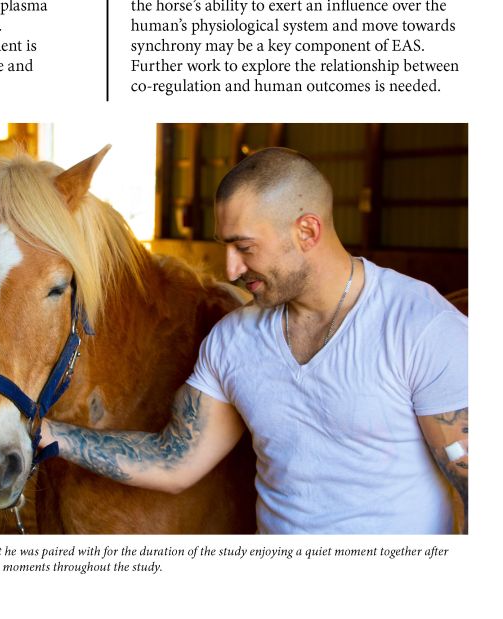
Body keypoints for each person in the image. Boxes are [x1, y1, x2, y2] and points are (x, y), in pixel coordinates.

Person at [41, 147, 468, 534]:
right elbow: (175, 461)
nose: (230, 270)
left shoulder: (420, 327)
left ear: (307, 231)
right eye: (225, 247)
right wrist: (47, 432)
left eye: (244, 247)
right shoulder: (234, 340)